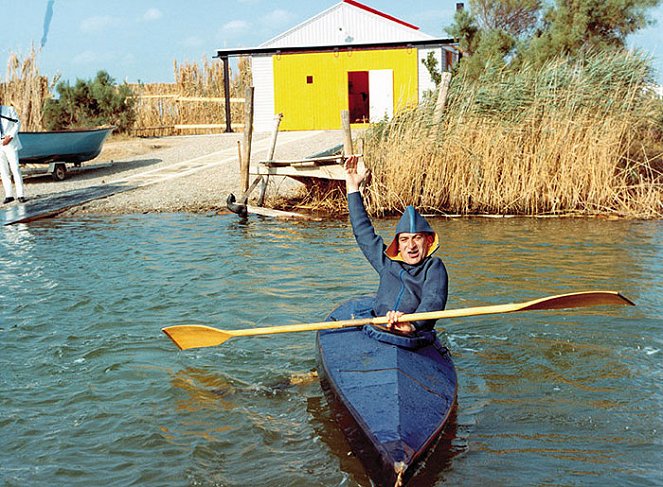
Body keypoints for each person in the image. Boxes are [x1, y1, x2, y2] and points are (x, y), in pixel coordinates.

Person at [343, 155, 448, 335]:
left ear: (428, 241)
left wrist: (413, 325)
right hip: (379, 329)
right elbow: (363, 231)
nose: (411, 246)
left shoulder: (434, 267)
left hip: (413, 333)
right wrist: (353, 187)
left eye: (417, 238)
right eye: (405, 239)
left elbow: (434, 299)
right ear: (398, 244)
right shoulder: (386, 263)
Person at [0, 104, 26, 204]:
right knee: (3, 171)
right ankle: (9, 195)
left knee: (15, 168)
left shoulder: (9, 109)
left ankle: (20, 195)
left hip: (10, 143)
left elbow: (17, 123)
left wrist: (10, 137)